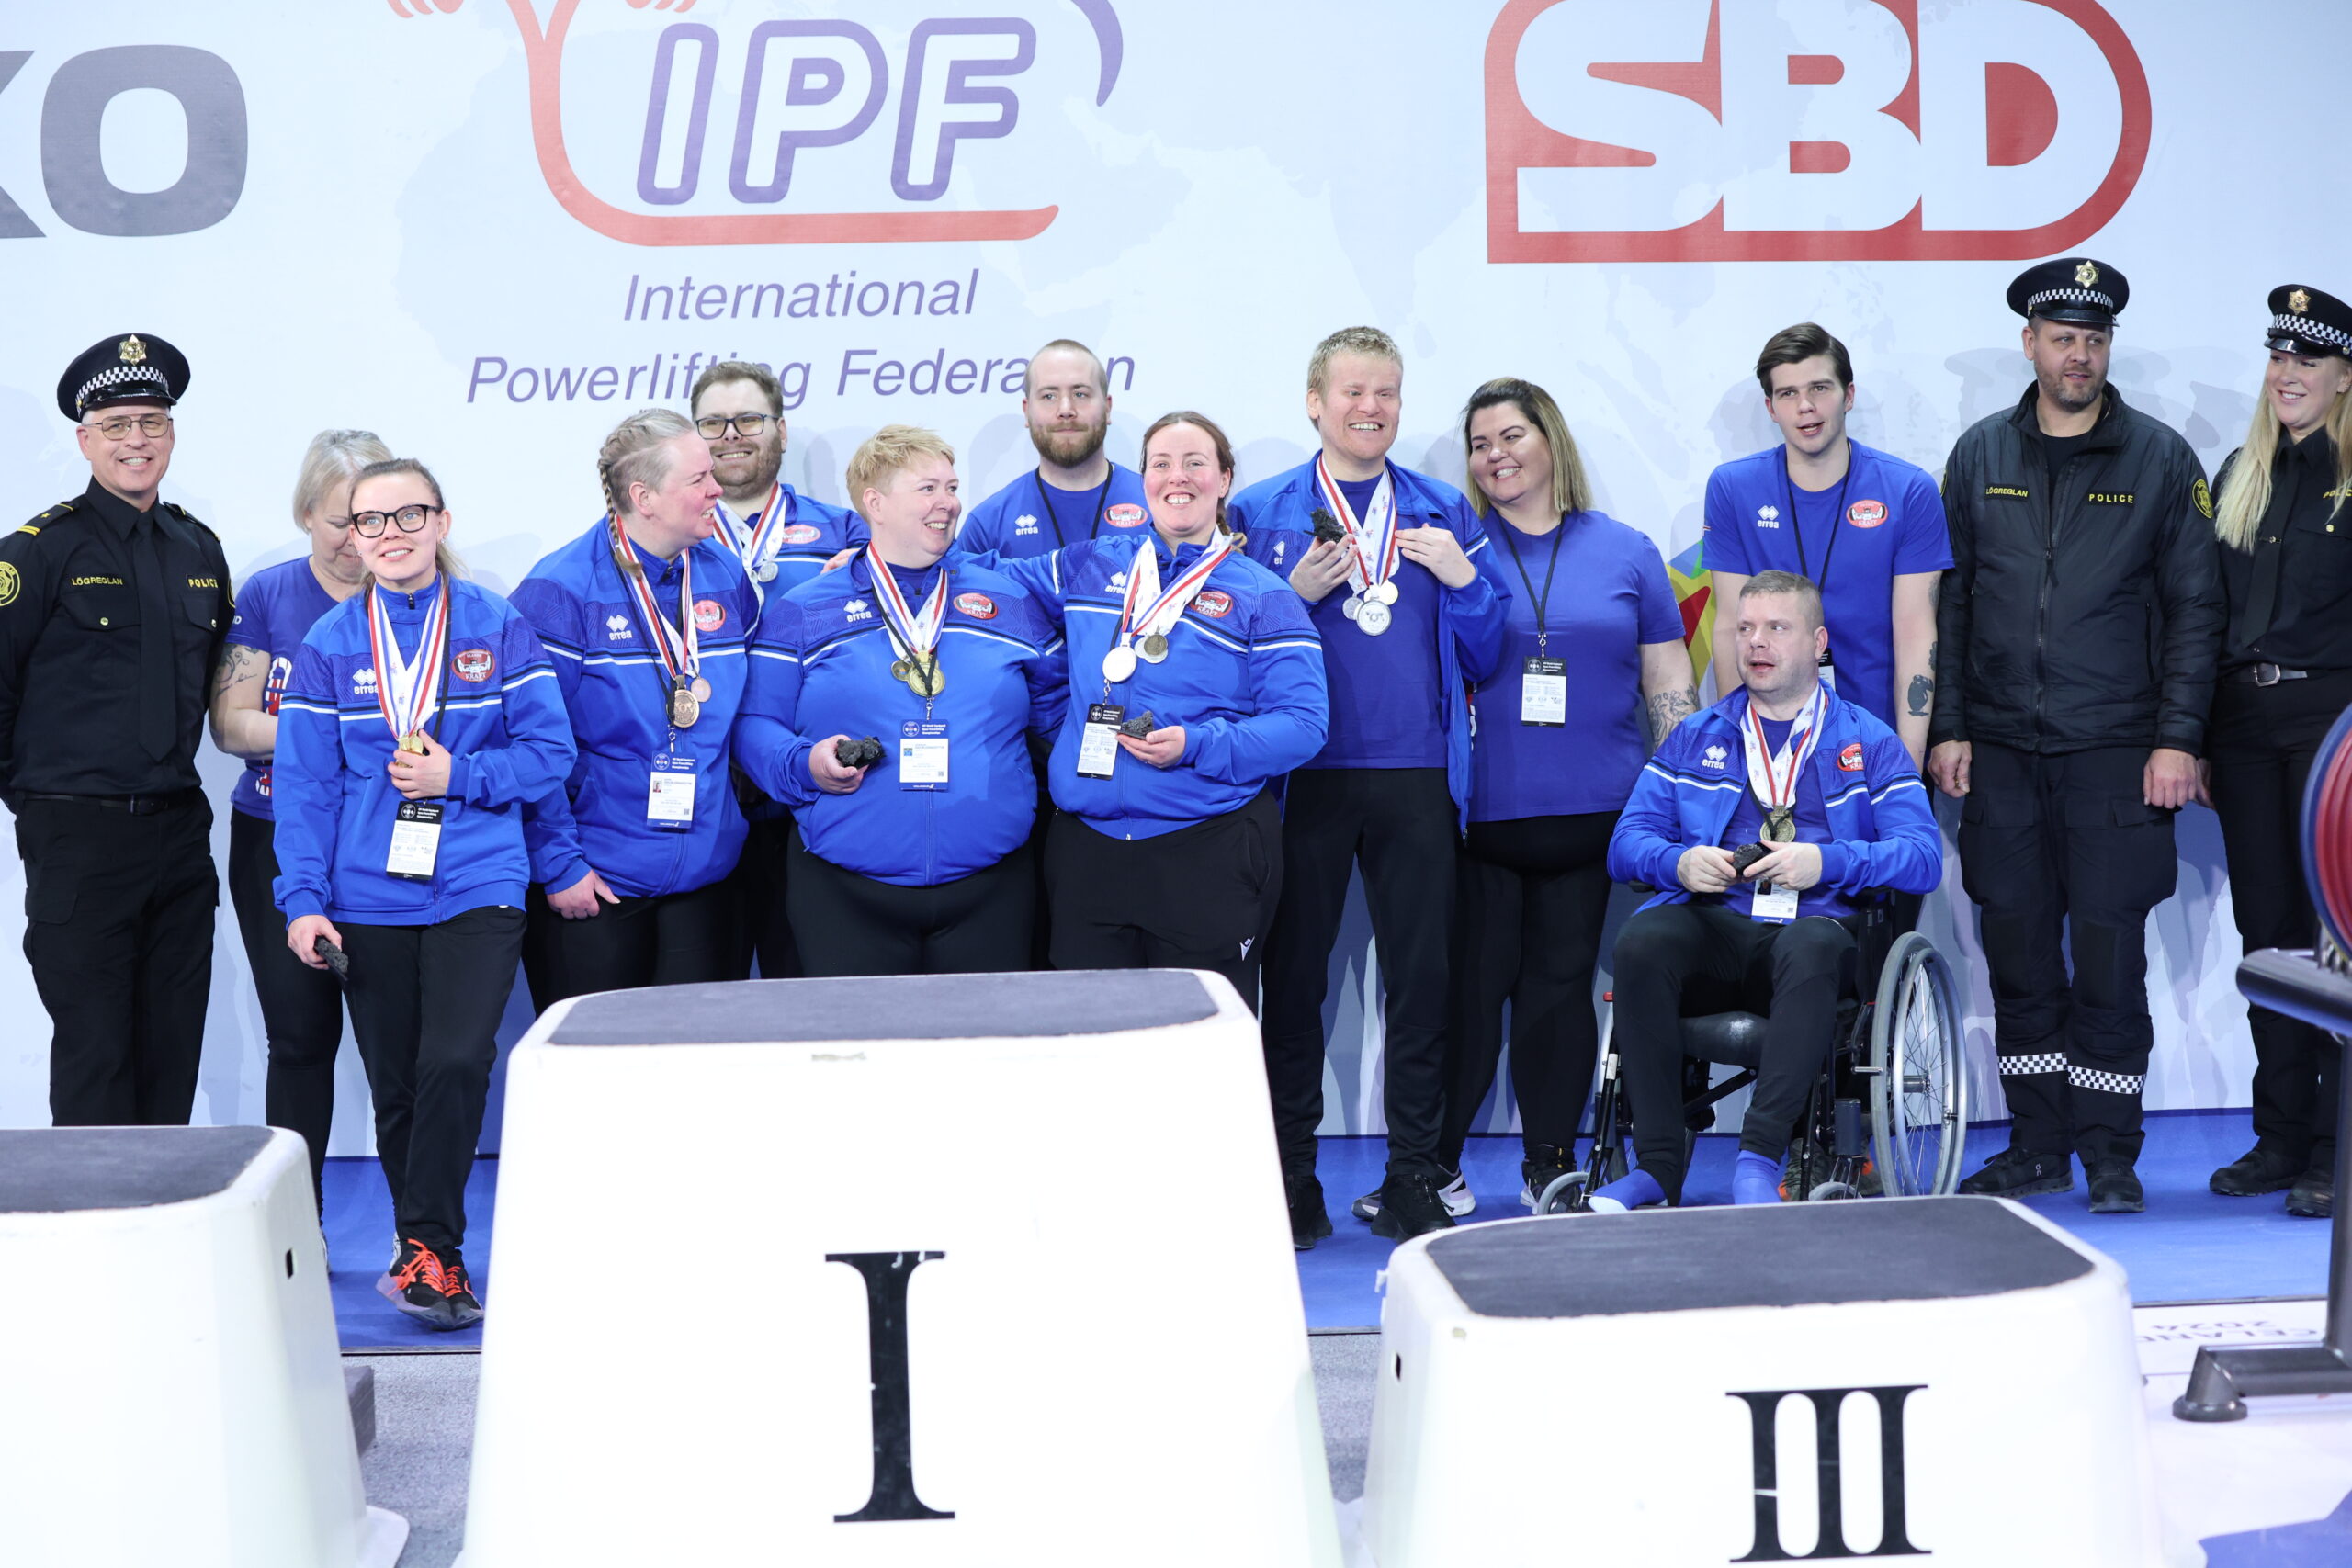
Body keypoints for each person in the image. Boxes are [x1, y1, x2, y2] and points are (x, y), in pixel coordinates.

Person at [1929, 257, 2223, 1214]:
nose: (2079, 357)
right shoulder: (1979, 455)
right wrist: (1950, 725)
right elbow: (1953, 605)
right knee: (2017, 957)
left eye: (2094, 340)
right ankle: (2038, 1144)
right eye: (2062, 339)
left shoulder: (2160, 460)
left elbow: (2196, 612)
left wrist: (2178, 738)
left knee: (2107, 959)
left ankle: (2109, 1151)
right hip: (2002, 753)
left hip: (2116, 751)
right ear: (2029, 344)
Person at [274, 458, 574, 1328]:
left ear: (442, 522)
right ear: (352, 535)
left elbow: (551, 754)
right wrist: (303, 898)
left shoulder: (497, 623)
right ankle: (425, 1253)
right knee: (397, 1081)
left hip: (480, 878)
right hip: (367, 894)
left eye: (409, 514)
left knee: (456, 1058)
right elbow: (305, 788)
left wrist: (461, 775)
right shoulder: (330, 642)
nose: (391, 533)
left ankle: (434, 1244)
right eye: (370, 520)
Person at [1233, 325, 1512, 1246]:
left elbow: (1484, 651)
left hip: (1417, 778)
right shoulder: (1262, 511)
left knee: (1422, 987)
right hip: (1300, 780)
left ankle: (1412, 1176)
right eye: (1352, 391)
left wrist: (1466, 582)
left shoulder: (1440, 508)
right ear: (1315, 403)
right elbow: (1226, 653)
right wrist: (1292, 595)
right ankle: (1291, 1179)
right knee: (1292, 985)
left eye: (1385, 392)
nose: (1370, 407)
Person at [1595, 572, 1940, 1211]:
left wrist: (1826, 861)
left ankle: (1757, 1161)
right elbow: (1626, 843)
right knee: (1642, 939)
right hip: (1718, 927)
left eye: (1777, 628)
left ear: (1819, 643)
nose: (1756, 642)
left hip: (1816, 935)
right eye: (1746, 628)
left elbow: (1922, 858)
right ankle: (1658, 1168)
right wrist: (1678, 862)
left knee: (1812, 945)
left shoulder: (1869, 739)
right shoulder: (1698, 735)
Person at [1435, 378, 1695, 1212]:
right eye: (1480, 444)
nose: (1496, 455)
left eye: (1511, 435)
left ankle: (1550, 1163)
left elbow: (1667, 675)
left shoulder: (1626, 550)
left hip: (1595, 815)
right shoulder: (1455, 548)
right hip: (1481, 816)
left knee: (1560, 985)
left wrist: (1682, 792)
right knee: (1472, 993)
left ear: (1551, 440)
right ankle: (1430, 1166)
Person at [999, 412, 1325, 1000]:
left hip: (1207, 850)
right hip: (1087, 853)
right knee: (1093, 1039)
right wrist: (870, 563)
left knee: (1198, 1044)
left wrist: (1197, 745)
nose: (1178, 477)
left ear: (1224, 480)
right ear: (1143, 479)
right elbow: (989, 581)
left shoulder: (1264, 594)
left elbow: (1304, 725)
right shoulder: (1091, 564)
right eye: (1162, 464)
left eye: (1195, 463)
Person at [0, 333, 232, 1126]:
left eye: (152, 421)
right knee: (96, 1055)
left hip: (179, 835)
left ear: (171, 432)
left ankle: (169, 1202)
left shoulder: (199, 549)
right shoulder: (38, 552)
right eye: (117, 424)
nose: (137, 439)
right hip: (80, 837)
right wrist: (42, 804)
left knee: (173, 1053)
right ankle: (91, 1208)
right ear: (85, 439)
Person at [734, 426, 1063, 976]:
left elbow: (1057, 708)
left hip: (992, 892)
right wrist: (804, 764)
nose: (948, 503)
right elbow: (754, 722)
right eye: (927, 488)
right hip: (845, 895)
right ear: (876, 503)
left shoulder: (1007, 600)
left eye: (952, 487)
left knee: (982, 1035)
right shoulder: (804, 609)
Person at [513, 410, 760, 1009]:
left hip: (709, 883)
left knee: (695, 1059)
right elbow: (524, 741)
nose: (717, 489)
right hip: (597, 885)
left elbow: (748, 710)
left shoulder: (723, 572)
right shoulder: (560, 590)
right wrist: (558, 862)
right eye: (698, 479)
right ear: (644, 497)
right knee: (595, 1063)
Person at [210, 428, 390, 1209]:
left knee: (398, 1045)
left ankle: (421, 1232)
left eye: (370, 519)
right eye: (339, 521)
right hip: (277, 838)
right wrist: (330, 731)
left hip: (386, 841)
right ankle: (296, 1224)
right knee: (299, 1037)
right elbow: (230, 725)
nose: (355, 540)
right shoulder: (268, 595)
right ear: (305, 513)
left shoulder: (417, 592)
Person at [2202, 284, 2352, 1220]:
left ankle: (2336, 1146)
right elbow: (2208, 612)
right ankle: (2281, 1135)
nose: (2286, 373)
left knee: (2336, 943)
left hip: (2334, 731)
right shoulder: (2239, 472)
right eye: (2278, 357)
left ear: (2345, 377)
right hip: (2246, 731)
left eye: (2308, 360)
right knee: (2267, 937)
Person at [689, 360, 866, 980]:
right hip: (705, 792)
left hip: (809, 797)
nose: (730, 435)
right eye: (713, 423)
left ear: (781, 431)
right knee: (705, 997)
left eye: (748, 419)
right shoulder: (671, 536)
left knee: (809, 989)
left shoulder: (844, 533)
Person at [1703, 323, 1951, 766]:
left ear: (1848, 395)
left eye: (1820, 388)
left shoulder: (1908, 490)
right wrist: (1743, 754)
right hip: (1772, 748)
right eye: (1788, 393)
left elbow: (1916, 631)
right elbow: (1731, 628)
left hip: (1876, 743)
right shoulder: (1732, 489)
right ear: (1770, 408)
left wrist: (1907, 767)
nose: (1806, 406)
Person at [953, 339, 1149, 563]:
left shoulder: (1157, 506)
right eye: (1049, 396)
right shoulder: (987, 527)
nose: (1065, 410)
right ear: (1026, 411)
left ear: (1107, 408)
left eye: (1080, 394)